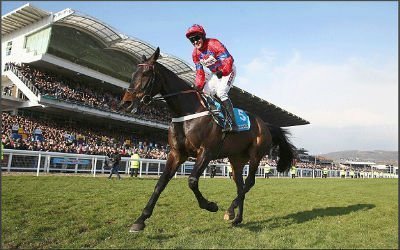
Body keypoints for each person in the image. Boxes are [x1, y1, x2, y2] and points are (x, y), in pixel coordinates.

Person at [185, 24, 237, 132]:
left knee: (221, 92)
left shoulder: (214, 44)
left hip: (228, 71)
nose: (195, 42)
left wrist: (223, 71)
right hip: (216, 74)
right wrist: (198, 86)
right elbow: (200, 72)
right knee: (205, 92)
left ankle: (233, 123)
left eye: (197, 38)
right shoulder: (195, 54)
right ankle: (217, 117)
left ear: (202, 36)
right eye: (192, 40)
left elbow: (228, 59)